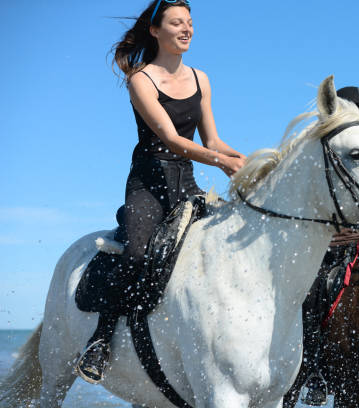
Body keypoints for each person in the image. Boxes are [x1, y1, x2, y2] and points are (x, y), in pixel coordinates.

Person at [75, 0, 245, 384]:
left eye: (190, 22)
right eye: (176, 23)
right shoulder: (141, 79)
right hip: (148, 182)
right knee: (137, 253)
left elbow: (212, 139)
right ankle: (100, 340)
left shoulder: (201, 78)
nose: (187, 29)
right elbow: (169, 138)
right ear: (155, 31)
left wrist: (250, 159)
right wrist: (221, 163)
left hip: (186, 181)